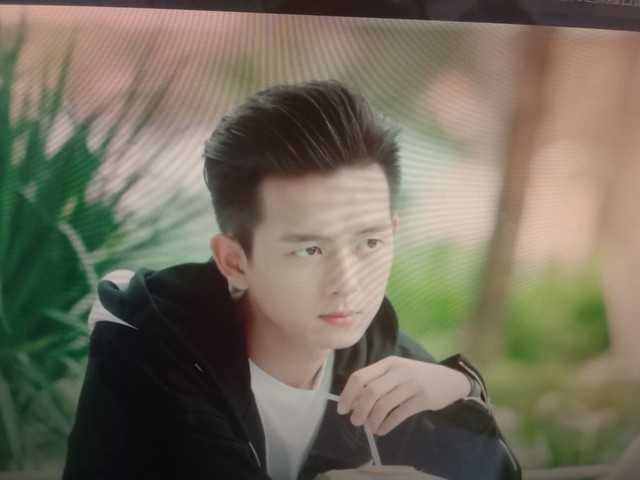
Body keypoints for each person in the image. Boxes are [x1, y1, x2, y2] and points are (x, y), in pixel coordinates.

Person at [63, 80, 521, 480]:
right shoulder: (152, 350)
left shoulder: (383, 358)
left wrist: (461, 389)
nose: (347, 284)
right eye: (309, 250)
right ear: (233, 261)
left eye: (369, 242)